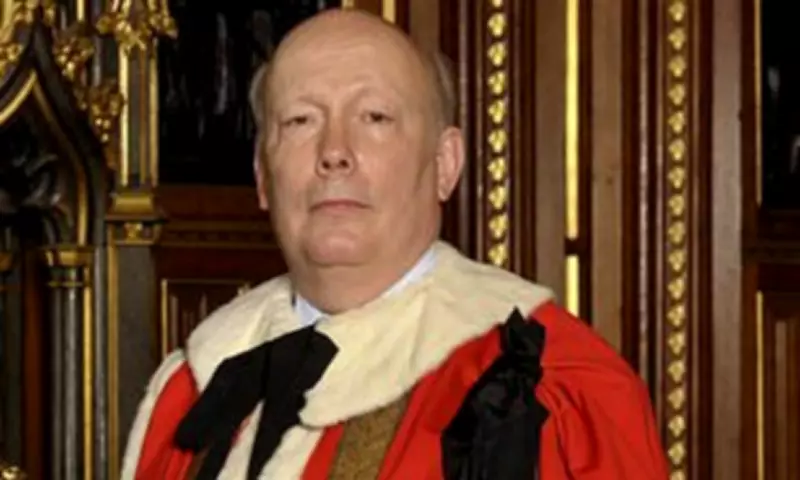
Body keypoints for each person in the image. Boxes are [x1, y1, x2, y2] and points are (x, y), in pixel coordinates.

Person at [121, 8, 668, 479]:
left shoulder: (544, 386)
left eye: (375, 118)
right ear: (264, 177)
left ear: (444, 165)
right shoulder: (194, 387)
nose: (335, 152)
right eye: (301, 120)